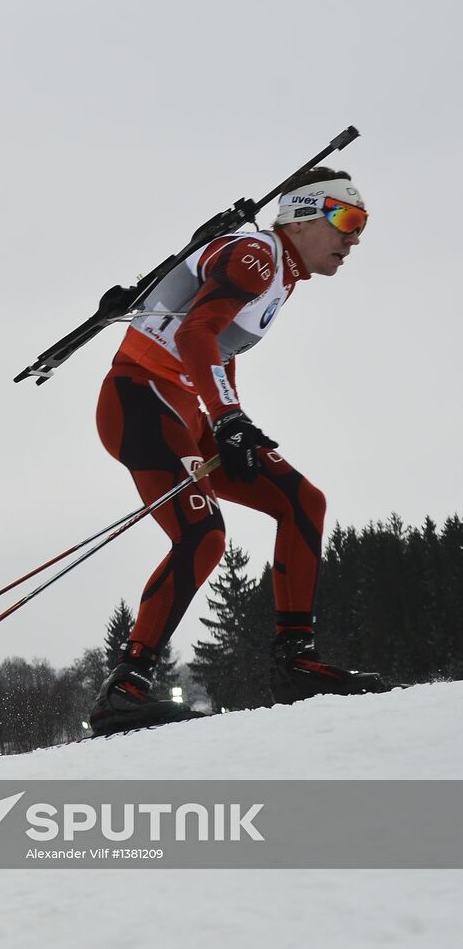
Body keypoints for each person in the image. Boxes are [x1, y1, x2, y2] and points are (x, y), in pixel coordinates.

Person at [89, 167, 385, 735]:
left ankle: (295, 662)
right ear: (302, 215)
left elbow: (219, 349)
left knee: (302, 502)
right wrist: (228, 420)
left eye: (362, 226)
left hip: (184, 408)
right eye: (346, 220)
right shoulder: (257, 254)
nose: (353, 239)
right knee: (203, 536)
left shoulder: (280, 275)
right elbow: (193, 336)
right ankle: (123, 689)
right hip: (140, 399)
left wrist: (232, 421)